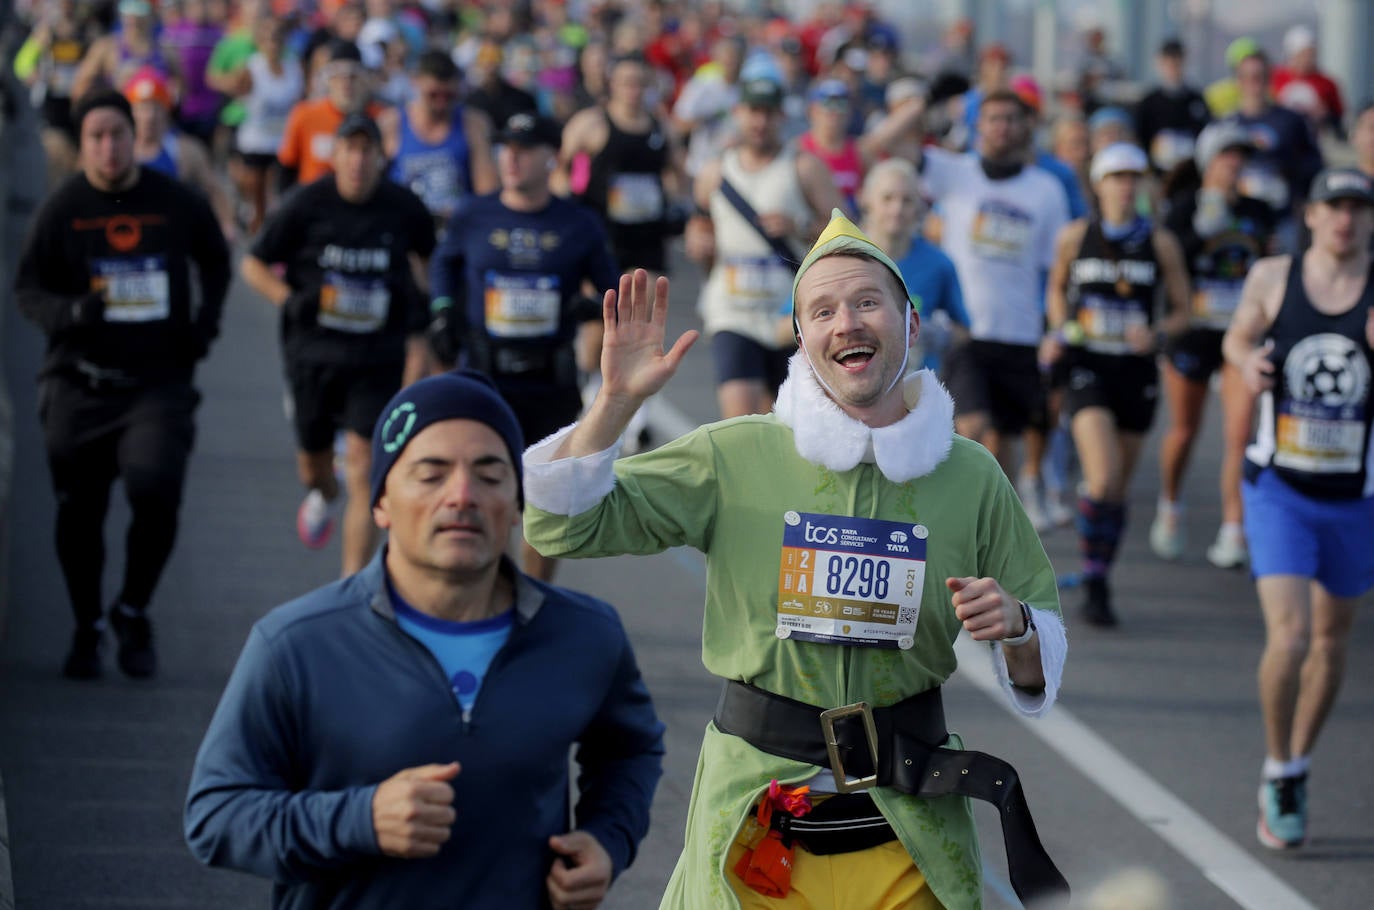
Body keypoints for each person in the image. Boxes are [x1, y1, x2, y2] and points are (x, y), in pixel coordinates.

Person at [523, 214, 1070, 908]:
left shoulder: (971, 474)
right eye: (823, 310)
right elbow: (564, 525)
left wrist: (1018, 626)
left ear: (910, 320)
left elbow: (1040, 648)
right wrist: (614, 404)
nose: (846, 323)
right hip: (755, 836)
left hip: (908, 839)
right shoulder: (733, 453)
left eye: (867, 302)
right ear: (802, 335)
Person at [185, 369, 665, 909]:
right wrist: (359, 820)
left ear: (517, 504)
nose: (462, 496)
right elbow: (215, 816)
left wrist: (607, 840)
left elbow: (632, 749)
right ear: (381, 503)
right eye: (431, 474)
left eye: (489, 475)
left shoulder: (583, 635)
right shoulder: (296, 644)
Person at [13, 90, 231, 679]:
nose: (109, 147)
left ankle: (134, 608)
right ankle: (89, 624)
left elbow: (217, 260)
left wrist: (202, 328)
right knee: (80, 513)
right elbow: (28, 289)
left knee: (154, 488)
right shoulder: (64, 208)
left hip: (156, 384)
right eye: (96, 137)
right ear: (81, 143)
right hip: (80, 385)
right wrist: (71, 315)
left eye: (118, 133)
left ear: (135, 136)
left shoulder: (175, 201)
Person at [1221, 167, 1374, 850]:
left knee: (1332, 640)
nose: (1345, 219)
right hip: (1279, 486)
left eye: (1358, 208)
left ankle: (1300, 763)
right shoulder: (1273, 278)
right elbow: (1236, 336)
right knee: (1289, 636)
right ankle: (1278, 765)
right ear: (1311, 214)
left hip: (1355, 494)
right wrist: (1246, 359)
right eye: (1334, 206)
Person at [427, 113, 620, 581]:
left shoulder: (577, 222)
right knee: (484, 491)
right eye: (504, 147)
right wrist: (444, 309)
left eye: (524, 147)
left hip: (547, 381)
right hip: (484, 379)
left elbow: (612, 289)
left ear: (550, 156)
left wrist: (588, 306)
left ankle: (532, 597)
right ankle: (487, 584)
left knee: (547, 500)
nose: (510, 157)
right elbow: (443, 265)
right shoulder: (474, 213)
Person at [240, 114, 435, 575]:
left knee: (366, 469)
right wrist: (289, 300)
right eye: (350, 149)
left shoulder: (404, 207)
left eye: (368, 150)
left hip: (377, 356)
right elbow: (254, 265)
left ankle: (352, 585)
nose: (358, 160)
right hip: (314, 355)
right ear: (336, 155)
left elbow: (428, 259)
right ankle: (323, 493)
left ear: (380, 157)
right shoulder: (306, 204)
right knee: (315, 467)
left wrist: (423, 320)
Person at [1041, 143, 1191, 626]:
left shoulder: (1160, 243)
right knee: (1102, 477)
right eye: (1117, 177)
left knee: (1118, 490)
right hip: (1088, 367)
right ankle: (1091, 569)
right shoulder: (1075, 236)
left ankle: (1099, 577)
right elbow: (1056, 287)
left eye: (1134, 177)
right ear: (1100, 184)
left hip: (1136, 373)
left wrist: (1160, 333)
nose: (1126, 186)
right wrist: (1062, 326)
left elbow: (1186, 309)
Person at [919, 89, 1071, 484]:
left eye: (1010, 119)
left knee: (1000, 447)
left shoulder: (1047, 190)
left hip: (1020, 332)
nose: (1001, 127)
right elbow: (889, 147)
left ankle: (993, 527)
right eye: (992, 118)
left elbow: (1057, 272)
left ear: (1026, 127)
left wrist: (1055, 329)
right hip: (965, 330)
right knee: (975, 431)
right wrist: (930, 95)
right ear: (977, 126)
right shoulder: (953, 172)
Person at [1150, 122, 1276, 567]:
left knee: (1240, 434)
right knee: (1185, 430)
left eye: (1241, 155)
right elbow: (1168, 260)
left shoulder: (1259, 210)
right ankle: (1169, 504)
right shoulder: (1182, 208)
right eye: (1227, 154)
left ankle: (1232, 529)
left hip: (1241, 333)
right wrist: (1203, 226)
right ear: (1208, 160)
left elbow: (1273, 261)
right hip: (1194, 333)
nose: (1235, 163)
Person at [685, 76, 843, 419]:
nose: (760, 121)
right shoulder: (714, 173)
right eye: (753, 111)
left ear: (781, 117)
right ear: (738, 113)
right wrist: (699, 245)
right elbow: (699, 230)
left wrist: (798, 227)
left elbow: (844, 229)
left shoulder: (803, 167)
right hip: (732, 312)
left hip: (790, 315)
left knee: (790, 425)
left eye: (769, 113)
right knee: (740, 420)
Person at [559, 53, 686, 276]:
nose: (633, 89)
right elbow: (560, 170)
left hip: (648, 234)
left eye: (640, 83)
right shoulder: (589, 124)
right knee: (604, 306)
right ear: (612, 83)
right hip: (603, 232)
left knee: (644, 302)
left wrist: (674, 204)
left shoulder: (662, 128)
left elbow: (679, 173)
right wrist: (569, 207)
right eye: (627, 82)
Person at [855, 158, 968, 374]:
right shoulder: (843, 258)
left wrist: (939, 334)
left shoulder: (938, 263)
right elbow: (786, 326)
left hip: (917, 389)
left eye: (907, 200)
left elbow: (965, 330)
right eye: (887, 198)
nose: (897, 209)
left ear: (918, 206)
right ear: (866, 199)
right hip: (856, 384)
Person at [379, 49, 498, 229]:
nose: (442, 102)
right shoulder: (391, 123)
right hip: (405, 227)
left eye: (448, 96)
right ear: (416, 82)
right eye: (433, 95)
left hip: (456, 226)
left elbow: (488, 192)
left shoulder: (473, 123)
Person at [1222, 49, 1323, 251]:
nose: (1254, 83)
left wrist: (1302, 199)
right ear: (1238, 81)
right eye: (1248, 77)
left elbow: (1314, 163)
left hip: (1282, 219)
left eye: (1260, 76)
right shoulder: (1227, 125)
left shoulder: (1291, 120)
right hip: (1241, 221)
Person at [122, 67, 236, 241]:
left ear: (166, 110)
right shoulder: (118, 150)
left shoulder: (185, 149)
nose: (150, 116)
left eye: (156, 107)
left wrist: (226, 224)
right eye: (143, 108)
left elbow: (213, 190)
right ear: (131, 112)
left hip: (174, 236)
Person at [224, 16, 304, 235]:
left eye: (277, 38)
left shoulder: (294, 66)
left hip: (284, 143)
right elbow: (232, 91)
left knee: (284, 196)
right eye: (268, 38)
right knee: (257, 198)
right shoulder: (251, 67)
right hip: (256, 141)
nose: (273, 43)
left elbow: (301, 100)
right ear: (260, 41)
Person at [277, 41, 380, 190]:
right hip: (312, 203)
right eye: (338, 76)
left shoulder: (380, 117)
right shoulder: (305, 115)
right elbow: (287, 168)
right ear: (327, 80)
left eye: (353, 76)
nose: (346, 84)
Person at [1133, 38, 1211, 178]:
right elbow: (1140, 137)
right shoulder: (1149, 102)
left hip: (1189, 177)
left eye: (1177, 61)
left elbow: (1206, 137)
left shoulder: (1196, 100)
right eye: (1168, 62)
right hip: (1157, 175)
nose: (1173, 67)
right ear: (1160, 64)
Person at [1271, 25, 1345, 138]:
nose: (1308, 59)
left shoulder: (1327, 83)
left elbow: (1339, 121)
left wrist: (1325, 115)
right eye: (1303, 54)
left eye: (1312, 54)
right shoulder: (1274, 78)